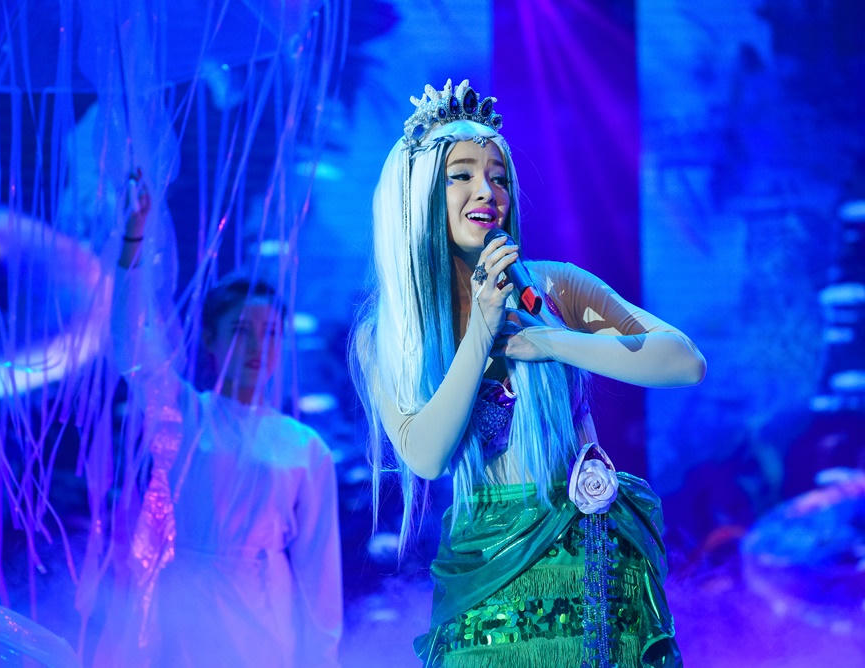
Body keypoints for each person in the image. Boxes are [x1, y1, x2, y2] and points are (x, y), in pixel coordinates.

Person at [350, 79, 706, 667]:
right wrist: (480, 330)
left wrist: (552, 341)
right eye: (461, 175)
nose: (486, 192)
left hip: (585, 567)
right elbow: (427, 456)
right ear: (418, 195)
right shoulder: (389, 332)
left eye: (498, 177)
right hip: (482, 583)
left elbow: (684, 362)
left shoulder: (553, 287)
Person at [103, 176, 343, 667]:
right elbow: (131, 343)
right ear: (210, 339)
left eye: (270, 332)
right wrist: (133, 241)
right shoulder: (183, 413)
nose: (257, 346)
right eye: (241, 330)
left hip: (267, 616)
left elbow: (320, 575)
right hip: (188, 609)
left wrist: (323, 659)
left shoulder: (305, 448)